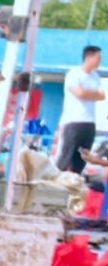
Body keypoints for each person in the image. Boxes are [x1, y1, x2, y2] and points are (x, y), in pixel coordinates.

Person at [55, 45, 104, 175]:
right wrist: (91, 94)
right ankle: (56, 182)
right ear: (89, 58)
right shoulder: (74, 74)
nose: (100, 61)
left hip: (90, 123)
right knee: (67, 156)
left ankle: (74, 182)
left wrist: (88, 93)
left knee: (81, 159)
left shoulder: (96, 77)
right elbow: (80, 94)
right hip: (74, 121)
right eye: (98, 58)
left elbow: (102, 95)